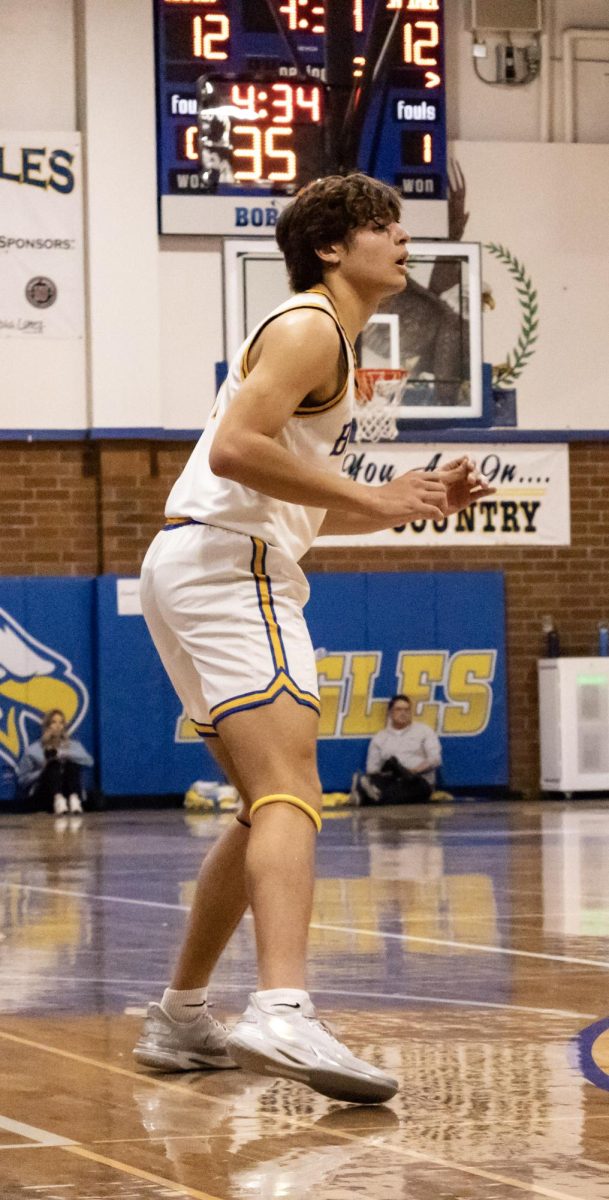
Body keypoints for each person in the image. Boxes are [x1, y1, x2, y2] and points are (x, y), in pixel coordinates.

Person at [134, 172, 494, 1104]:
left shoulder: (323, 339)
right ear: (333, 247)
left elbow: (285, 501)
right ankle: (282, 1010)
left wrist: (402, 507)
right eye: (385, 226)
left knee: (264, 800)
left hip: (206, 560)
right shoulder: (309, 327)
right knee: (295, 788)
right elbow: (232, 450)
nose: (403, 239)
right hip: (229, 570)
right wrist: (374, 493)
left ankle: (180, 1018)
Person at [354, 693, 447, 806]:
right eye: (398, 709)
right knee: (390, 765)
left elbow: (435, 759)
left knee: (402, 788)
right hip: (392, 779)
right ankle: (369, 791)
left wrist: (413, 771)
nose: (403, 713)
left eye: (407, 710)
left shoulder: (424, 731)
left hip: (419, 780)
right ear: (390, 713)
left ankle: (367, 797)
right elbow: (372, 769)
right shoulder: (380, 737)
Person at [17, 708, 93, 815]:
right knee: (53, 765)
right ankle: (58, 800)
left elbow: (89, 761)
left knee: (71, 764)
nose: (58, 726)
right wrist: (43, 770)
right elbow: (22, 780)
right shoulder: (33, 749)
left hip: (68, 790)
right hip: (46, 794)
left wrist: (63, 754)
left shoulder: (74, 746)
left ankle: (74, 799)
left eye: (61, 723)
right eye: (54, 722)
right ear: (47, 725)